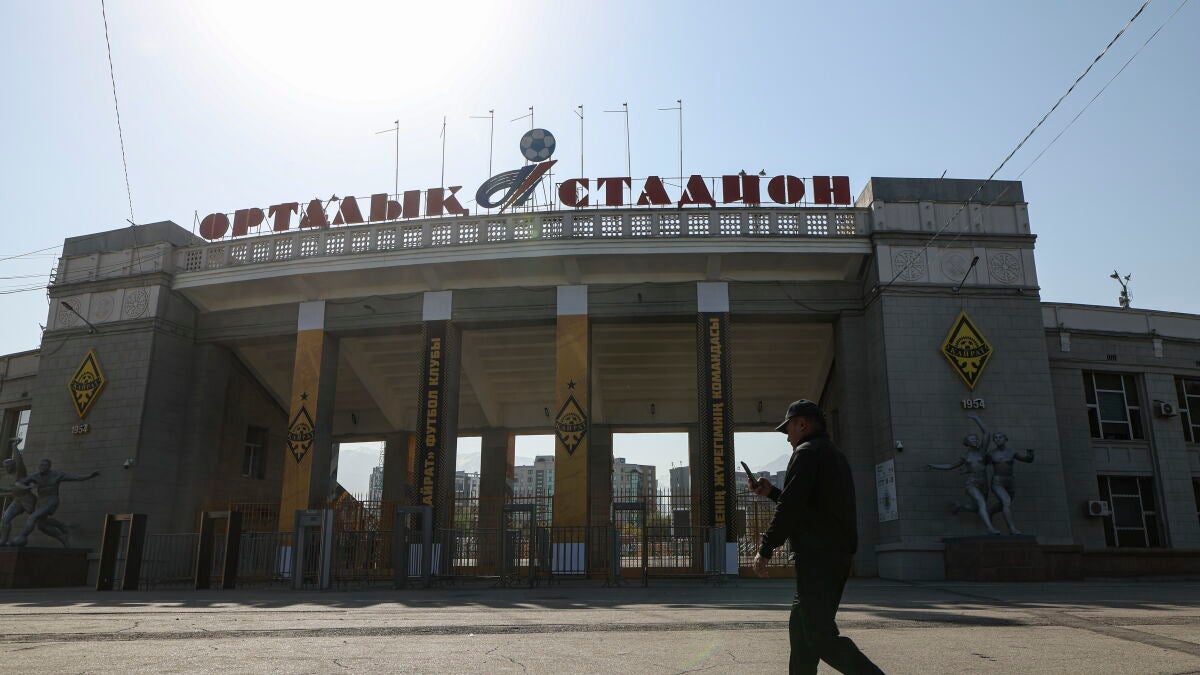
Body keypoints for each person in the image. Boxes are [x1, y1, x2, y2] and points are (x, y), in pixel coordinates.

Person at [749, 399, 883, 674]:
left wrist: (766, 548)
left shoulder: (806, 453)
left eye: (788, 429)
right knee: (801, 634)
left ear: (802, 424)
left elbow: (791, 507)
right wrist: (771, 492)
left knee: (819, 636)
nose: (787, 437)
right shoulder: (833, 454)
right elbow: (808, 505)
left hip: (818, 557)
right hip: (833, 554)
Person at [926, 413, 1000, 535]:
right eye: (972, 439)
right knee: (981, 503)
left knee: (977, 508)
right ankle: (990, 528)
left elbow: (987, 433)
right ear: (967, 443)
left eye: (976, 439)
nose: (975, 441)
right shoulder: (966, 456)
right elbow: (950, 466)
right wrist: (933, 465)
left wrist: (977, 418)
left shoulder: (982, 451)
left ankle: (960, 506)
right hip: (972, 483)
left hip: (984, 483)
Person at [8, 459, 99, 547]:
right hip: (41, 501)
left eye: (45, 465)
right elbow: (18, 483)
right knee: (42, 525)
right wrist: (27, 487)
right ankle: (62, 535)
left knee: (32, 517)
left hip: (51, 500)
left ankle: (22, 537)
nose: (42, 467)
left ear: (49, 467)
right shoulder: (35, 476)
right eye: (41, 465)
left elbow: (75, 477)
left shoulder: (57, 475)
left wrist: (90, 476)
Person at [0, 453, 36, 546]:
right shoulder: (8, 476)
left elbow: (19, 460)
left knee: (42, 522)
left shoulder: (20, 472)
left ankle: (63, 529)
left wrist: (15, 447)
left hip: (28, 499)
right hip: (17, 500)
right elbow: (10, 489)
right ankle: (3, 540)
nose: (7, 468)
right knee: (5, 519)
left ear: (14, 465)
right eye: (5, 467)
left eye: (8, 466)